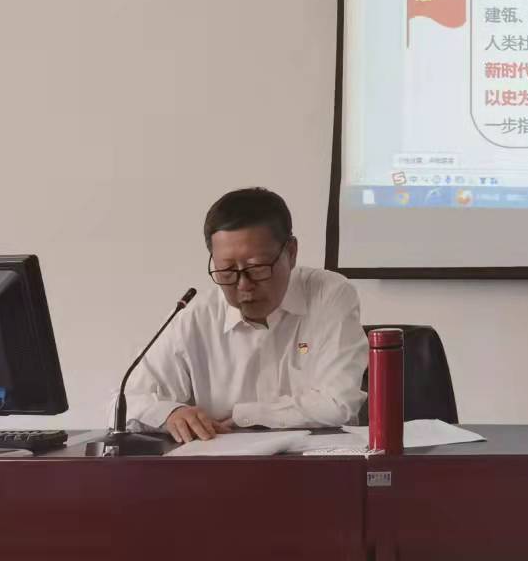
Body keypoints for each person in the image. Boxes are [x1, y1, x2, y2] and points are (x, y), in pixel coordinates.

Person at [125, 187, 368, 443]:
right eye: (227, 271)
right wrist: (170, 413)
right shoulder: (196, 315)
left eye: (257, 268)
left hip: (316, 459)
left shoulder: (328, 295)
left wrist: (246, 415)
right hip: (222, 463)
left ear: (291, 252)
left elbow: (338, 403)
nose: (243, 285)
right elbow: (126, 402)